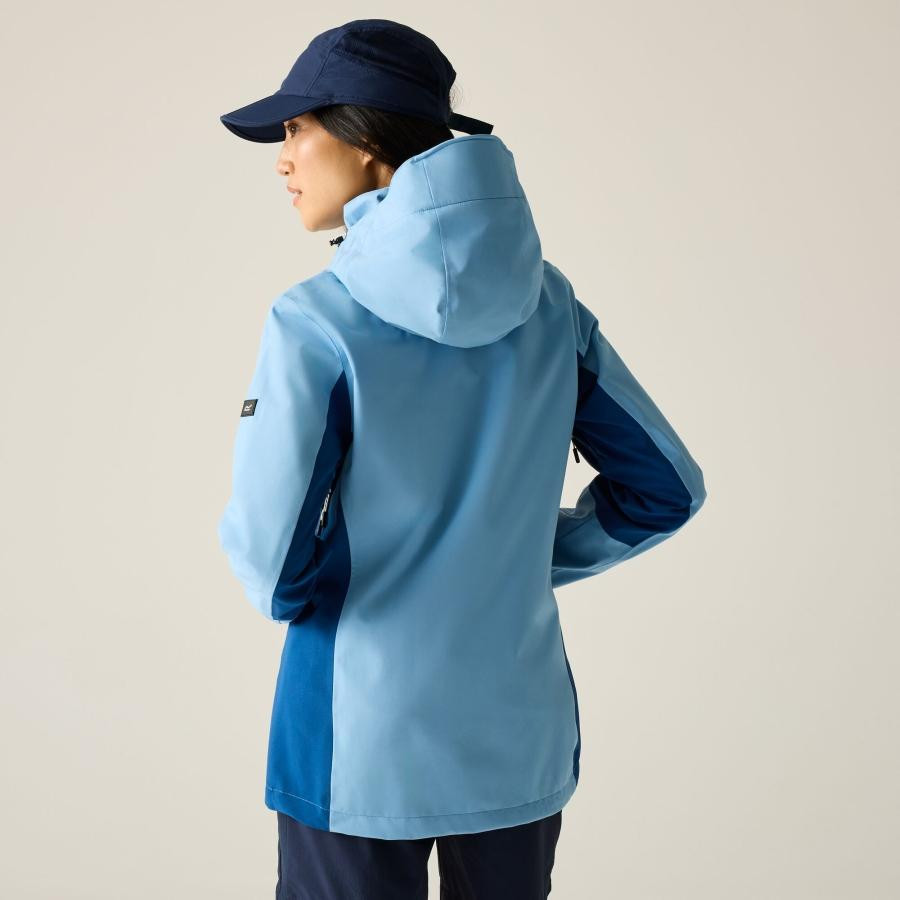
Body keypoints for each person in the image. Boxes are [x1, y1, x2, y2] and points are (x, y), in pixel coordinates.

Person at [216, 18, 707, 900]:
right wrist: (507, 556)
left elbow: (272, 565)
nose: (281, 159)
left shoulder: (315, 320)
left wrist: (357, 576)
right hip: (516, 735)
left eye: (294, 128)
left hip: (355, 745)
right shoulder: (550, 305)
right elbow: (663, 488)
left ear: (364, 139)